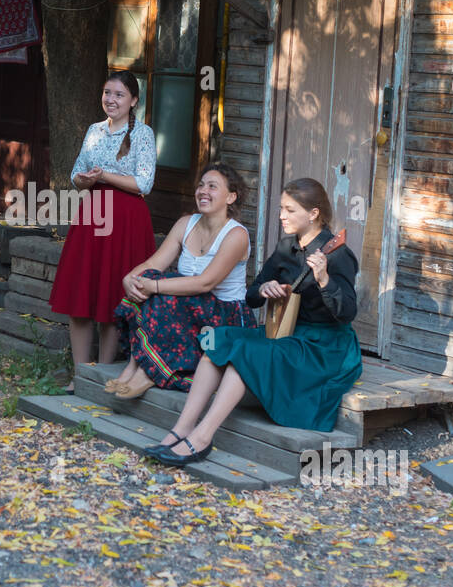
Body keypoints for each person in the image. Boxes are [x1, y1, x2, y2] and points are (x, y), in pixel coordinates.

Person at [143, 177, 363, 466]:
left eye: (290, 210)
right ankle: (180, 430)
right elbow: (251, 295)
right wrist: (264, 289)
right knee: (220, 341)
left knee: (246, 355)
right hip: (286, 334)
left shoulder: (338, 255)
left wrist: (323, 280)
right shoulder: (287, 248)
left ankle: (202, 438)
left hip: (326, 346)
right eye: (282, 208)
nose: (282, 215)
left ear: (313, 214)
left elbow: (347, 312)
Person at [107, 163, 255, 399]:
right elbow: (152, 264)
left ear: (231, 197)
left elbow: (205, 283)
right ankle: (135, 366)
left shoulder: (236, 234)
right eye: (201, 185)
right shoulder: (186, 223)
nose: (203, 191)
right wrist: (131, 278)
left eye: (212, 187)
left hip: (225, 314)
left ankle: (150, 372)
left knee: (163, 293)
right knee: (148, 279)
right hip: (191, 305)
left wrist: (154, 286)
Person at [48, 70, 156, 389]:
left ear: (133, 100)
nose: (111, 99)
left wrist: (105, 177)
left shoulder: (143, 134)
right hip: (93, 213)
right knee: (81, 292)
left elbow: (144, 183)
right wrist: (84, 179)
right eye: (107, 92)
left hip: (125, 219)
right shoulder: (94, 131)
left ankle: (103, 374)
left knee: (112, 295)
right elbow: (76, 174)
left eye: (119, 94)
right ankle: (80, 374)